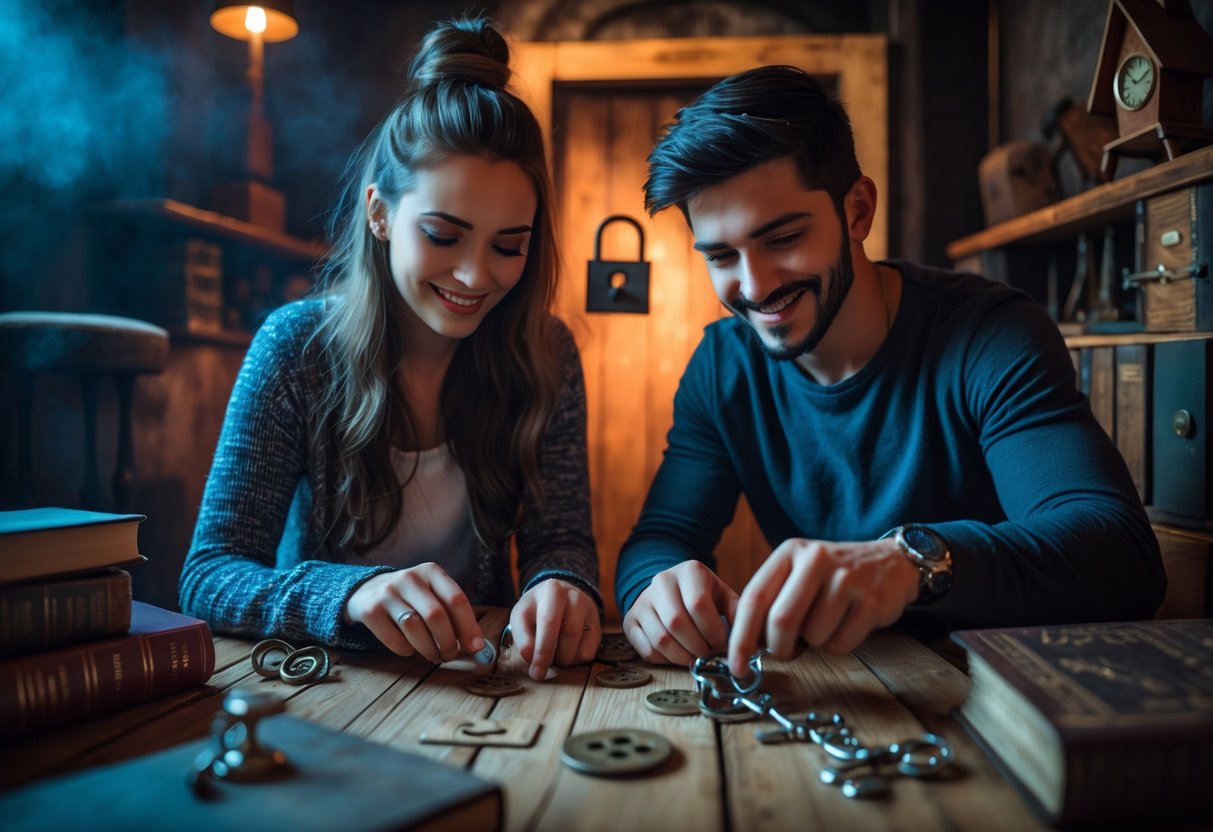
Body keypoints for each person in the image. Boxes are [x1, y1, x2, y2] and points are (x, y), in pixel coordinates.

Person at [615, 65, 1165, 679]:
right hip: (850, 697)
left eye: (784, 238)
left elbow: (1121, 558)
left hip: (1010, 699)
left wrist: (912, 561)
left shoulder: (991, 334)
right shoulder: (721, 368)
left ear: (857, 211)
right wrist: (654, 588)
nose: (754, 286)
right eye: (721, 256)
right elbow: (660, 536)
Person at [180, 17, 601, 682]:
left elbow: (562, 541)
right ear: (379, 213)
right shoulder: (296, 349)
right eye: (442, 235)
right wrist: (348, 593)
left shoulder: (544, 353)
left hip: (479, 685)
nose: (474, 276)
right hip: (327, 685)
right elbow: (208, 575)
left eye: (507, 245)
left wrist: (563, 585)